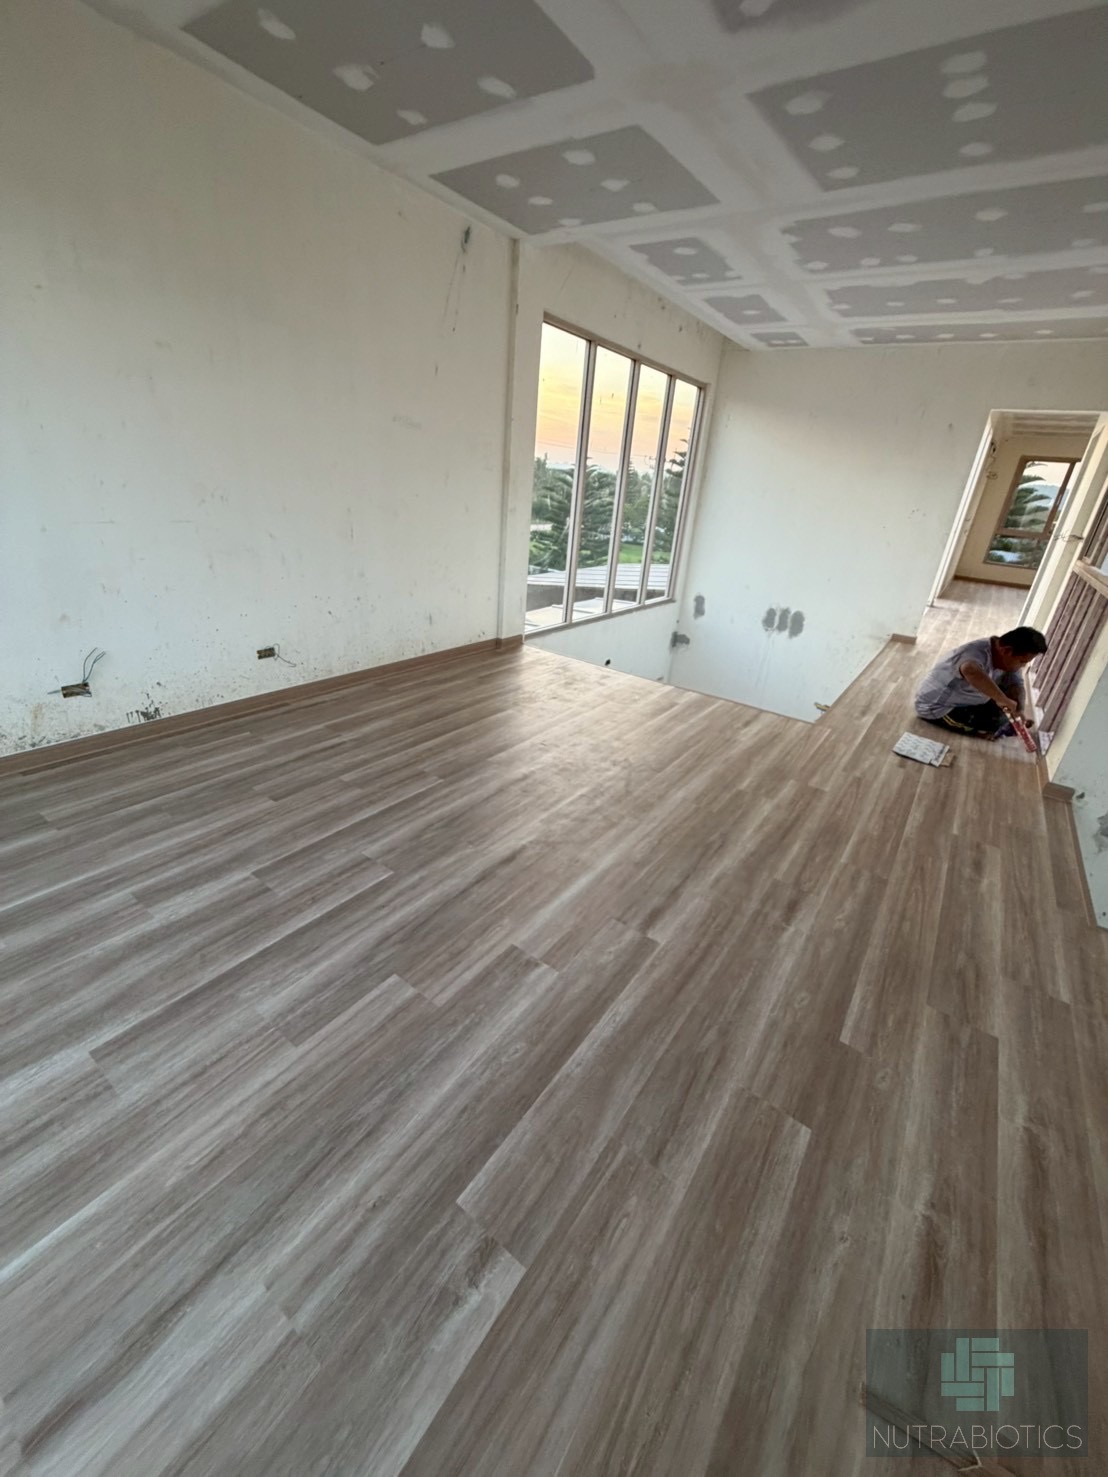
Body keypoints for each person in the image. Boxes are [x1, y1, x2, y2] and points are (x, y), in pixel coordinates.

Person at [914, 625, 1047, 739]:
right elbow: (969, 669)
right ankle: (983, 731)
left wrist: (1019, 711)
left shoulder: (1006, 658)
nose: (1023, 666)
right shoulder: (974, 653)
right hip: (939, 708)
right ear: (1007, 650)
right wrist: (1002, 700)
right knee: (995, 722)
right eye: (1022, 661)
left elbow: (1016, 684)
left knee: (1005, 707)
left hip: (968, 701)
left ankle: (1001, 724)